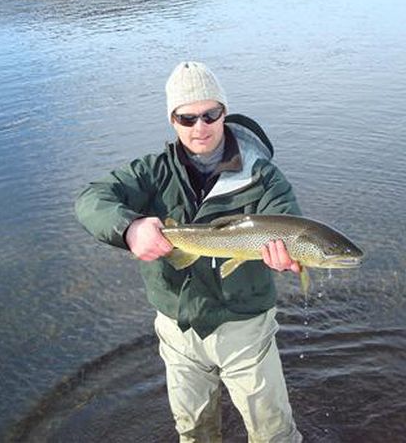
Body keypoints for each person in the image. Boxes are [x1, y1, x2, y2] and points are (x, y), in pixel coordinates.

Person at [75, 61, 303, 442]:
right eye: (187, 117)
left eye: (210, 114)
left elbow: (288, 221)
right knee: (193, 433)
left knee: (274, 433)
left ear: (224, 113)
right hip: (177, 327)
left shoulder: (262, 176)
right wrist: (130, 228)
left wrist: (287, 255)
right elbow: (90, 200)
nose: (200, 127)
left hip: (243, 324)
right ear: (173, 120)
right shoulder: (153, 171)